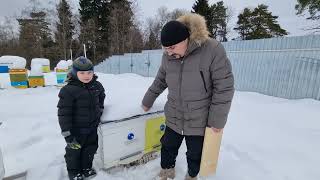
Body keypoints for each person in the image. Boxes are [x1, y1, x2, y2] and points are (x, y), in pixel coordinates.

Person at [141, 13, 234, 180]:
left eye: (172, 48)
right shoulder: (168, 55)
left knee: (195, 154)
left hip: (200, 118)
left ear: (186, 40)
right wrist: (148, 100)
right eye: (165, 49)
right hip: (174, 115)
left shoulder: (212, 50)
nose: (168, 53)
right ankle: (167, 172)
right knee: (168, 147)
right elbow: (161, 79)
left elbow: (224, 87)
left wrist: (217, 120)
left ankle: (192, 176)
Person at [57, 56, 106, 180]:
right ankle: (74, 172)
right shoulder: (68, 90)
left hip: (92, 128)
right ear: (74, 73)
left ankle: (86, 168)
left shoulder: (96, 85)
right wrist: (67, 133)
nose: (86, 75)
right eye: (82, 73)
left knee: (90, 149)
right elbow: (64, 113)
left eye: (89, 72)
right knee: (74, 153)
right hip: (76, 131)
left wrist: (100, 108)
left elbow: (102, 95)